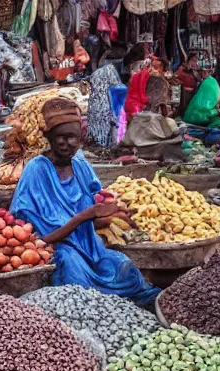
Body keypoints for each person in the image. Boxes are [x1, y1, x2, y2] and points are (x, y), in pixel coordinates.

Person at [10, 98, 160, 306]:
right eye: (59, 137)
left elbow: (99, 201)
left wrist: (118, 212)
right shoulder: (36, 170)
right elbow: (43, 237)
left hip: (91, 246)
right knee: (77, 281)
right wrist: (85, 216)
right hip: (60, 249)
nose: (67, 143)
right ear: (48, 137)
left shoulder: (81, 166)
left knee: (124, 266)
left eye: (72, 137)